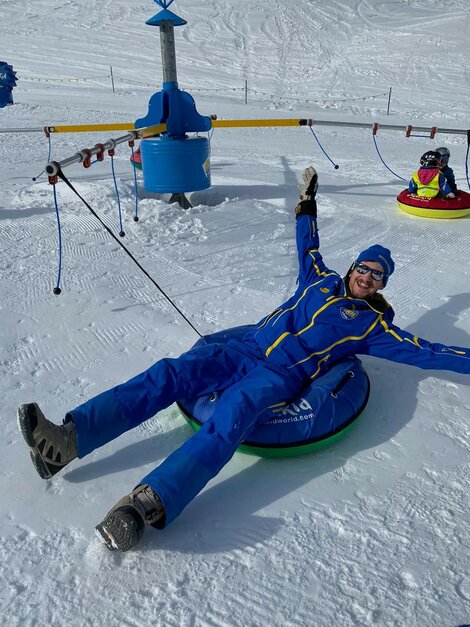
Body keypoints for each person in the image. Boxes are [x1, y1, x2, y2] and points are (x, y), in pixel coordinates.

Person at [18, 167, 470, 552]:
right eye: (365, 268)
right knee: (168, 373)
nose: (368, 278)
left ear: (382, 285)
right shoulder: (318, 279)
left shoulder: (372, 327)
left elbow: (430, 353)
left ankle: (147, 502)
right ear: (353, 267)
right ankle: (68, 440)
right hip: (242, 349)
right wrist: (307, 200)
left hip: (280, 376)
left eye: (378, 276)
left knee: (231, 415)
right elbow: (307, 242)